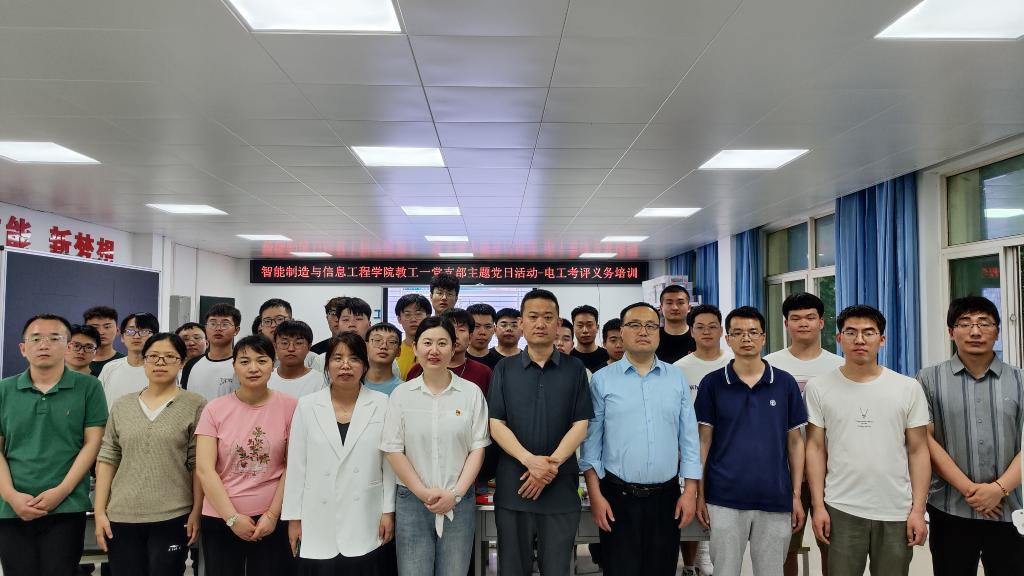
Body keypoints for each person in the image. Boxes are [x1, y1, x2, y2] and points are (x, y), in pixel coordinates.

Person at [805, 305, 930, 576]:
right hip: (841, 507)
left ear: (882, 339)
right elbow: (815, 448)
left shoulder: (907, 388)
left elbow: (919, 451)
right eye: (851, 332)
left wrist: (918, 510)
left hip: (896, 509)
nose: (859, 340)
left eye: (868, 333)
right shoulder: (819, 387)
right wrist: (818, 506)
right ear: (839, 339)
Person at [580, 302, 701, 576]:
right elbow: (591, 445)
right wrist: (596, 495)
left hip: (667, 498)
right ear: (621, 332)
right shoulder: (602, 380)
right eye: (634, 325)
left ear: (659, 332)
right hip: (617, 497)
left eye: (650, 326)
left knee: (662, 569)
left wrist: (690, 492)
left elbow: (689, 439)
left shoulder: (676, 377)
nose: (643, 331)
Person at [694, 306, 807, 576]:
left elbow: (795, 442)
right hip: (724, 498)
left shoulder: (784, 383)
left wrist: (795, 495)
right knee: (725, 571)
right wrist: (699, 494)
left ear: (764, 337)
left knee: (771, 572)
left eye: (753, 332)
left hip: (775, 497)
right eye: (738, 333)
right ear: (728, 339)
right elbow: (703, 442)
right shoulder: (712, 383)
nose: (746, 338)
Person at [917, 296, 1024, 575]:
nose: (975, 331)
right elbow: (925, 440)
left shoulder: (1020, 380)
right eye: (965, 324)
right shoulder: (928, 379)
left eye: (984, 323)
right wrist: (969, 490)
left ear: (997, 331)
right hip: (950, 507)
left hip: (1011, 508)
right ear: (951, 332)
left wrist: (998, 489)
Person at [488, 289, 592, 576]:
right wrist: (530, 462)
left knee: (558, 568)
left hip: (560, 488)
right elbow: (496, 424)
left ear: (558, 324)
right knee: (512, 568)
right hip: (515, 487)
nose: (540, 323)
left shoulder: (575, 368)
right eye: (533, 317)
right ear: (521, 323)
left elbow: (581, 424)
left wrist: (549, 467)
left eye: (548, 317)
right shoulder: (504, 368)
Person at [381, 316, 489, 576]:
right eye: (427, 343)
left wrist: (456, 494)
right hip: (412, 501)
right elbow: (393, 450)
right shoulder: (401, 395)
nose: (434, 350)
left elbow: (478, 448)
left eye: (442, 343)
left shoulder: (471, 393)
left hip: (458, 500)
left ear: (453, 348)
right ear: (415, 347)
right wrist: (422, 492)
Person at [0, 314, 107, 576]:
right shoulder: (4, 389)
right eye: (36, 339)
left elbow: (93, 443)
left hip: (66, 505)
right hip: (11, 507)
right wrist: (11, 496)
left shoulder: (89, 387)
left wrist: (62, 491)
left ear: (68, 346)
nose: (44, 345)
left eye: (54, 338)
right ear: (23, 348)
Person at [283, 332, 396, 575]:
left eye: (354, 358)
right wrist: (294, 518)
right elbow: (297, 466)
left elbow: (389, 464)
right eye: (337, 358)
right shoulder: (307, 405)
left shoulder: (382, 404)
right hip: (317, 513)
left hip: (366, 512)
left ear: (365, 365)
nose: (345, 365)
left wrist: (388, 511)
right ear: (327, 365)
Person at [94, 333, 206, 576]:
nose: (160, 363)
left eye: (169, 357)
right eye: (153, 356)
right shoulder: (122, 405)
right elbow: (108, 457)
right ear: (144, 361)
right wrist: (100, 511)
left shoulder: (195, 404)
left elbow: (197, 463)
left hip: (173, 514)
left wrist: (197, 511)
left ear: (182, 362)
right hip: (122, 514)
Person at [196, 335, 298, 576]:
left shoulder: (291, 407)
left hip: (271, 518)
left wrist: (272, 515)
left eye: (261, 361)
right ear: (234, 366)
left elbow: (293, 465)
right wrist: (231, 518)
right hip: (220, 516)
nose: (253, 368)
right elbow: (204, 469)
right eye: (244, 361)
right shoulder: (214, 409)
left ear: (273, 364)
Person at [764, 292, 844, 576]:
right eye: (796, 318)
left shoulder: (839, 366)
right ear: (786, 324)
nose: (803, 323)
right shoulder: (769, 365)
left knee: (832, 545)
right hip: (784, 471)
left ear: (821, 323)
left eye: (810, 317)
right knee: (784, 545)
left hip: (832, 471)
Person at [674, 304, 732, 575]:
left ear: (721, 331)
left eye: (712, 327)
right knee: (690, 508)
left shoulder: (734, 363)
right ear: (692, 331)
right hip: (688, 450)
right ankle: (690, 565)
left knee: (720, 511)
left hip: (727, 451)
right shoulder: (678, 369)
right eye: (700, 327)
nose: (707, 332)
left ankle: (711, 561)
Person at [406, 308, 492, 397]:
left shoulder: (483, 372)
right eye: (450, 329)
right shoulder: (417, 370)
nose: (455, 335)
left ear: (470, 337)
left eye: (461, 330)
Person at [99, 312, 160, 411]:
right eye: (130, 331)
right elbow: (97, 404)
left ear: (155, 337)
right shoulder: (109, 368)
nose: (136, 336)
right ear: (122, 337)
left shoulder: (161, 370)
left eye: (144, 331)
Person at [182, 304, 242, 401]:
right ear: (206, 328)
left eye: (225, 324)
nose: (218, 328)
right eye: (212, 324)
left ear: (236, 330)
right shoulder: (191, 364)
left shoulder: (242, 364)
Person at [269, 320, 325, 398]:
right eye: (284, 343)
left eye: (298, 343)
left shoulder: (321, 381)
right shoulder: (266, 379)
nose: (291, 349)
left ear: (309, 347)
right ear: (275, 346)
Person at [656, 285, 697, 364]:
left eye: (680, 303)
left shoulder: (698, 337)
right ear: (661, 308)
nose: (675, 307)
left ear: (689, 308)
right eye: (669, 303)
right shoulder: (653, 337)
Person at [395, 294, 432, 380]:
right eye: (407, 315)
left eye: (418, 314)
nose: (413, 319)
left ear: (428, 317)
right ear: (399, 319)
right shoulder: (395, 351)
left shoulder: (435, 350)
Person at [364, 322, 405, 396]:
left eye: (391, 342)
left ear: (399, 351)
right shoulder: (354, 384)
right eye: (377, 340)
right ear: (366, 347)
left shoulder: (404, 390)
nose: (384, 346)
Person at [84, 306, 125, 376]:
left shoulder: (124, 363)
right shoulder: (76, 361)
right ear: (85, 331)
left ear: (118, 330)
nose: (101, 332)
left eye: (107, 327)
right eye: (95, 327)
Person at [571, 305, 609, 372]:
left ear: (597, 327)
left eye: (589, 325)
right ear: (573, 328)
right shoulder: (568, 357)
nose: (585, 330)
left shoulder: (608, 356)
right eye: (580, 326)